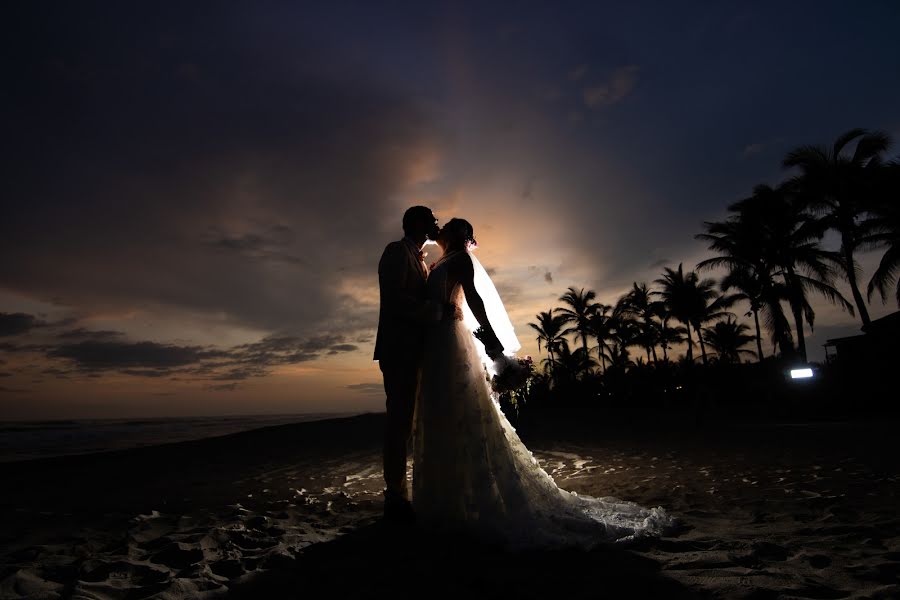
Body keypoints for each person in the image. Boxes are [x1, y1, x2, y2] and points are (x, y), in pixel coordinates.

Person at [412, 218, 672, 549]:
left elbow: (474, 299)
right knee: (442, 413)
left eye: (448, 225)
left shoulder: (460, 259)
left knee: (461, 411)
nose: (441, 228)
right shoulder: (439, 260)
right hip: (435, 343)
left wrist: (493, 343)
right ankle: (448, 496)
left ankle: (466, 501)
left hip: (450, 340)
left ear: (460, 234)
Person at [374, 205, 440, 522]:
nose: (434, 225)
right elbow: (395, 298)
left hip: (415, 351)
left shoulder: (420, 259)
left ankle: (402, 492)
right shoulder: (396, 252)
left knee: (409, 421)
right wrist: (432, 310)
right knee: (399, 421)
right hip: (397, 349)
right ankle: (395, 495)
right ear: (415, 223)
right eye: (429, 221)